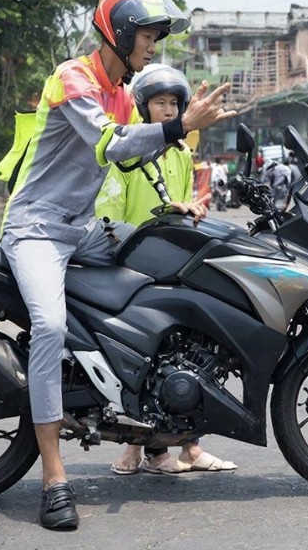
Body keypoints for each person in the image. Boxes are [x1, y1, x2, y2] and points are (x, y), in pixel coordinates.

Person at [0, 0, 235, 530]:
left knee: (167, 255)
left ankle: (143, 402)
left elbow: (134, 161)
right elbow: (110, 144)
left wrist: (169, 202)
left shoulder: (121, 91)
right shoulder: (73, 78)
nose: (152, 48)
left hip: (82, 229)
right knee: (49, 326)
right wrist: (177, 126)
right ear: (123, 35)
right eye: (148, 38)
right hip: (37, 228)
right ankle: (55, 478)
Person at [95, 64, 237, 476]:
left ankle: (187, 446)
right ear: (142, 107)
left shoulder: (182, 152)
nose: (169, 111)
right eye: (161, 103)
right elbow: (109, 212)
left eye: (175, 104)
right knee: (137, 363)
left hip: (171, 265)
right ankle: (139, 449)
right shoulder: (130, 149)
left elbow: (183, 205)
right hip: (131, 266)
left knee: (183, 357)